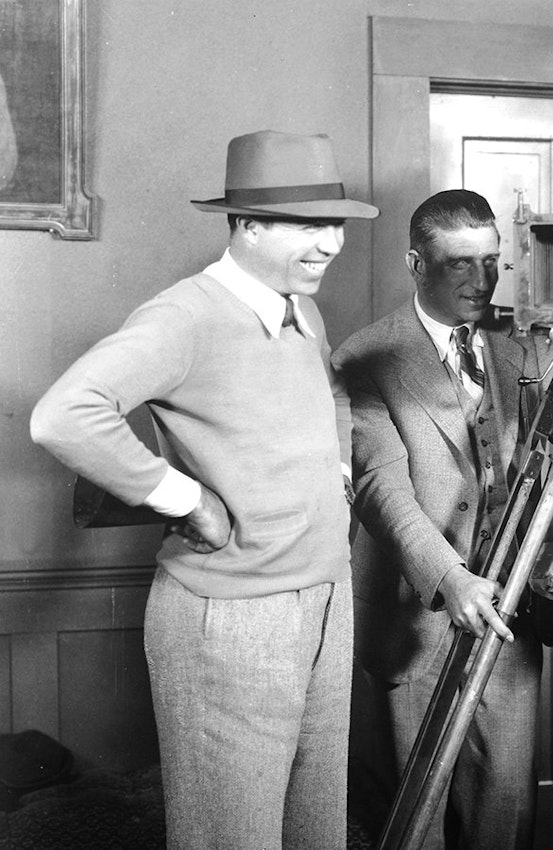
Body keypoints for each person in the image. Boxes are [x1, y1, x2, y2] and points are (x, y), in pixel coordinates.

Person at [30, 130, 379, 849]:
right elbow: (63, 415)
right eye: (308, 225)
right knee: (233, 837)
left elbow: (334, 395)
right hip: (231, 619)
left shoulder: (302, 307)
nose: (330, 245)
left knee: (317, 831)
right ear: (247, 226)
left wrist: (335, 476)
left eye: (334, 223)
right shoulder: (185, 315)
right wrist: (187, 501)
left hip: (326, 598)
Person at [332, 189, 547, 849]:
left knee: (504, 818)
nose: (480, 281)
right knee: (414, 823)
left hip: (507, 620)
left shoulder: (527, 348)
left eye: (490, 261)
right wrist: (450, 579)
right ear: (415, 263)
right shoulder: (364, 356)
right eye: (458, 263)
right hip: (411, 622)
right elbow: (379, 484)